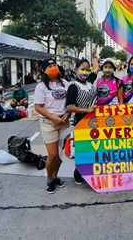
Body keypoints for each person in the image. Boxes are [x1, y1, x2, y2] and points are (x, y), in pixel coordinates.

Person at [34, 61, 69, 194]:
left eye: (54, 65)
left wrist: (67, 113)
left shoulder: (65, 83)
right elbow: (37, 107)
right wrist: (53, 117)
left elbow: (70, 101)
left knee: (61, 155)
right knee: (52, 155)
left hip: (64, 122)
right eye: (49, 66)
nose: (53, 68)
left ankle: (55, 176)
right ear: (44, 70)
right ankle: (49, 179)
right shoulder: (41, 86)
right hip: (49, 123)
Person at [66, 48, 99, 185]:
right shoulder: (73, 86)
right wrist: (85, 110)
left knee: (91, 146)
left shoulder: (90, 81)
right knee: (81, 148)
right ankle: (77, 172)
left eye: (87, 69)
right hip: (80, 119)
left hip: (93, 120)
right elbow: (69, 107)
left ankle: (88, 170)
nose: (85, 72)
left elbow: (96, 68)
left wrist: (93, 56)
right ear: (76, 70)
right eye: (82, 69)